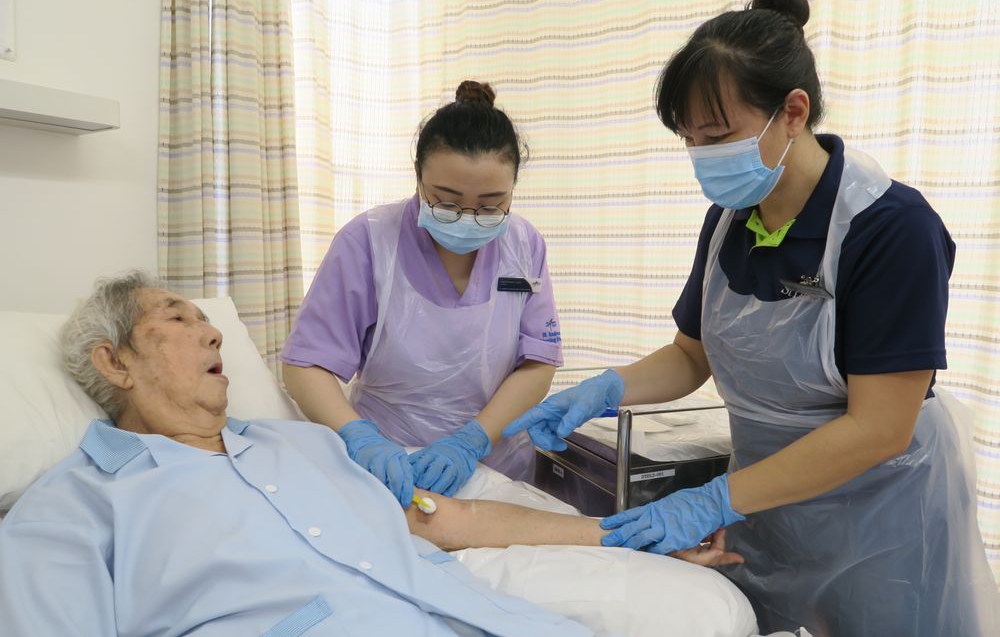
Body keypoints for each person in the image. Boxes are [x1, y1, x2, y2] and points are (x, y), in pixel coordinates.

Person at [503, 0, 998, 636]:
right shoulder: (729, 220)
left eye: (718, 136)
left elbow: (880, 428)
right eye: (690, 139)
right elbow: (691, 355)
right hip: (770, 499)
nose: (703, 157)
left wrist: (713, 499)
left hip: (882, 516)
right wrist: (605, 388)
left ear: (793, 112)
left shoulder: (888, 227)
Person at [0, 273, 738, 636]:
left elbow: (447, 519)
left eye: (206, 319)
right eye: (177, 320)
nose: (213, 332)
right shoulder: (73, 508)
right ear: (115, 362)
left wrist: (630, 537)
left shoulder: (301, 443)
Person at [281, 81, 562, 505]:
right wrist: (360, 438)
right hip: (389, 469)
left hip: (496, 466)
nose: (468, 218)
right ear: (418, 175)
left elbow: (538, 362)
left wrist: (472, 441)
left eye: (491, 205)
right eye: (447, 202)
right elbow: (307, 365)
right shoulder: (369, 242)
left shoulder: (524, 244)